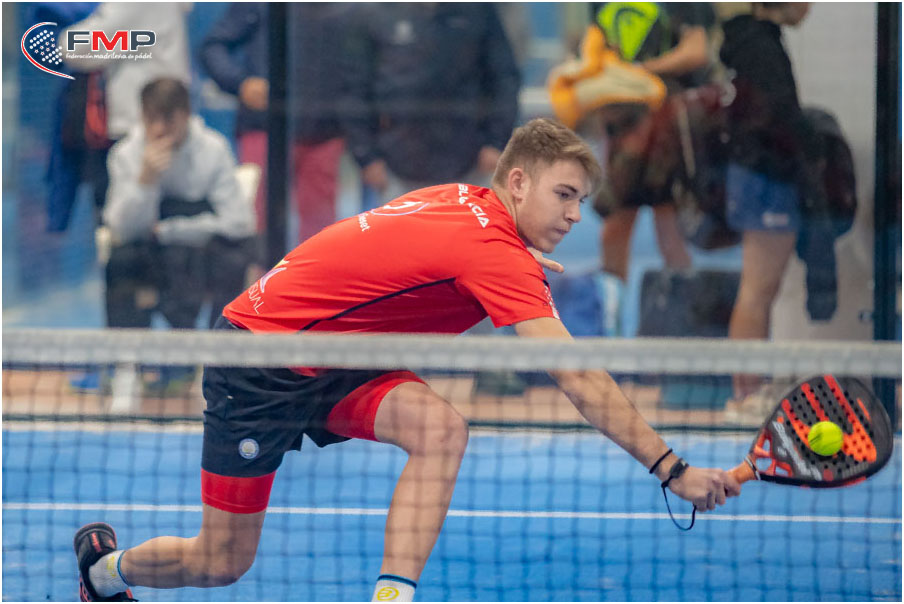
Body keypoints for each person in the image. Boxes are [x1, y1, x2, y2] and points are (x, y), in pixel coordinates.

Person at [73, 119, 741, 602]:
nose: (573, 215)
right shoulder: (493, 254)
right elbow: (579, 378)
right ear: (517, 182)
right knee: (221, 562)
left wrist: (508, 261)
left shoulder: (464, 200)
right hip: (258, 357)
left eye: (580, 202)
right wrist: (672, 469)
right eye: (563, 194)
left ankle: (392, 599)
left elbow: (403, 249)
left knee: (440, 429)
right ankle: (104, 571)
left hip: (340, 356)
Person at [102, 77, 255, 332]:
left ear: (186, 115)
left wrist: (172, 231)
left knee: (234, 259)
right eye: (152, 120)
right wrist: (145, 182)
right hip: (152, 255)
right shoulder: (126, 154)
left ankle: (221, 344)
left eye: (168, 120)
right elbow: (120, 231)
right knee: (121, 262)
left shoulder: (213, 149)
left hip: (199, 251)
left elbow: (240, 222)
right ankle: (126, 352)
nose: (159, 129)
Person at [719, 3, 816, 403]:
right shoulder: (759, 47)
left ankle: (750, 387)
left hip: (761, 178)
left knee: (762, 290)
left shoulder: (753, 41)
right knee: (757, 290)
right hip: (766, 181)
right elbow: (775, 122)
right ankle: (745, 394)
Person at [339, 3, 520, 206]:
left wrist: (496, 142)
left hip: (470, 164)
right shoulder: (375, 13)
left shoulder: (477, 10)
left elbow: (504, 78)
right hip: (397, 165)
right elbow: (354, 90)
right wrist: (366, 157)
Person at [199, 4, 350, 246]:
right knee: (256, 221)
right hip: (265, 127)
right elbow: (213, 48)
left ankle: (313, 272)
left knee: (320, 230)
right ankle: (259, 271)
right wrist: (241, 83)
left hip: (321, 130)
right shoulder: (260, 5)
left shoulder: (340, 9)